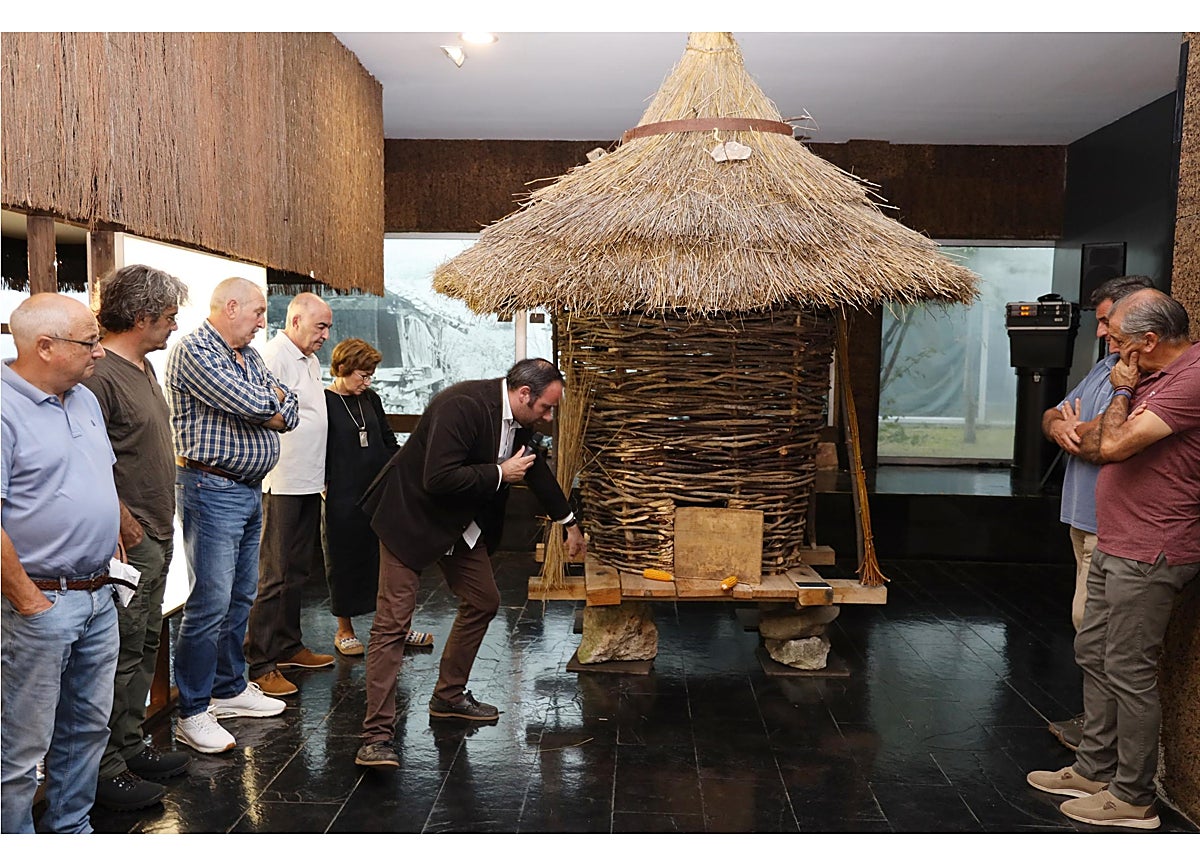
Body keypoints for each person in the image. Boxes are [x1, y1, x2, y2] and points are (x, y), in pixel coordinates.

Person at [354, 358, 587, 768]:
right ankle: (376, 737)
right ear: (523, 394)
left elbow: (534, 472)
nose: (549, 417)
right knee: (393, 625)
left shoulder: (521, 419)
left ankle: (448, 696)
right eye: (546, 408)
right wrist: (499, 472)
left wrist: (569, 522)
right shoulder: (460, 405)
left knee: (484, 600)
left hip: (459, 524)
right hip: (410, 517)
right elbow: (437, 478)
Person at [1027, 289, 1199, 830]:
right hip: (1114, 539)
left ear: (1149, 341)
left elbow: (1113, 445)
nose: (1107, 341)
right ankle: (1094, 769)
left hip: (1152, 548)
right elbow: (1093, 437)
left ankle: (1132, 797)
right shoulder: (1141, 373)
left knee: (1129, 669)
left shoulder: (1189, 378)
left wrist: (1119, 398)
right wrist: (1105, 418)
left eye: (1118, 336)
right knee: (1094, 652)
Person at [1, 293, 120, 833]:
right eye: (88, 342)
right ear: (45, 346)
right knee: (23, 744)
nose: (99, 352)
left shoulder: (84, 398)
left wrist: (109, 538)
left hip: (99, 595)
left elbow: (95, 476)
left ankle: (71, 830)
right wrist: (28, 598)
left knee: (88, 729)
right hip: (41, 602)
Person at [165, 277, 299, 754]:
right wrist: (271, 407)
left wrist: (274, 406)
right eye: (259, 312)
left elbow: (289, 404)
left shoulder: (249, 355)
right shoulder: (194, 350)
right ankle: (194, 710)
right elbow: (257, 403)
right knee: (210, 603)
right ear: (231, 306)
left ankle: (228, 689)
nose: (264, 322)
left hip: (245, 488)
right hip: (210, 487)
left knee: (242, 595)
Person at [83, 265, 192, 811]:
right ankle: (104, 770)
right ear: (143, 316)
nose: (175, 325)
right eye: (169, 316)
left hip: (155, 528)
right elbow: (86, 458)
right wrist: (123, 520)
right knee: (120, 654)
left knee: (146, 644)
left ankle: (128, 747)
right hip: (131, 537)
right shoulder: (100, 375)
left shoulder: (143, 366)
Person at [1039, 275, 1152, 750]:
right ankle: (1096, 729)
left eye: (1109, 322)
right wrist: (1061, 425)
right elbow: (1052, 417)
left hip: (1114, 528)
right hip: (1080, 518)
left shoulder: (1149, 379)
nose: (1103, 332)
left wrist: (1082, 430)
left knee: (1098, 632)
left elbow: (1109, 444)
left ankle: (1101, 739)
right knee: (1087, 631)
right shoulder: (1105, 366)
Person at [245, 292, 335, 697]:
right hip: (280, 481)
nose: (326, 336)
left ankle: (288, 644)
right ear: (295, 321)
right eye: (320, 327)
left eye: (328, 328)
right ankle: (259, 661)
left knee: (298, 570)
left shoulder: (310, 360)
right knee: (274, 574)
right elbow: (264, 410)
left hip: (307, 480)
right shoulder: (273, 355)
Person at [322, 338, 433, 657]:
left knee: (390, 560)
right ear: (342, 368)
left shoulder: (370, 398)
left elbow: (386, 440)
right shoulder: (324, 400)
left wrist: (405, 473)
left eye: (370, 375)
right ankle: (344, 629)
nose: (367, 381)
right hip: (341, 491)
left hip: (378, 489)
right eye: (362, 375)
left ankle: (398, 626)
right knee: (343, 559)